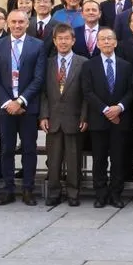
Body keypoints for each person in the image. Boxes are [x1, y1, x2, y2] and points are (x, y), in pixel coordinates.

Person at [0, 9, 47, 206]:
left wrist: (21, 101)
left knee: (29, 149)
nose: (16, 25)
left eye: (21, 22)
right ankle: (8, 189)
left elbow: (39, 78)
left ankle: (28, 190)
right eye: (13, 22)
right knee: (6, 149)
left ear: (27, 24)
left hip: (28, 107)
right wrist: (9, 103)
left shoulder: (38, 45)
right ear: (7, 23)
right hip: (5, 108)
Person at [84, 28, 133, 208]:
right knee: (99, 160)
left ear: (115, 42)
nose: (106, 42)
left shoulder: (126, 65)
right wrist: (106, 110)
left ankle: (116, 194)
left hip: (120, 120)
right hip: (99, 120)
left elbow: (131, 91)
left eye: (109, 39)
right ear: (97, 43)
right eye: (102, 39)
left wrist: (119, 108)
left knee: (118, 160)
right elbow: (88, 92)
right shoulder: (89, 65)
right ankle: (101, 194)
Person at [39, 24, 89, 207]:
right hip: (52, 119)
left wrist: (84, 117)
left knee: (74, 159)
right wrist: (43, 115)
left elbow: (86, 94)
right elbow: (43, 92)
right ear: (54, 41)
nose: (63, 42)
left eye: (66, 38)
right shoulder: (48, 63)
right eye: (59, 39)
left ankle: (73, 193)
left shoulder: (83, 63)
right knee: (53, 160)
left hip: (74, 118)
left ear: (73, 40)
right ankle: (53, 193)